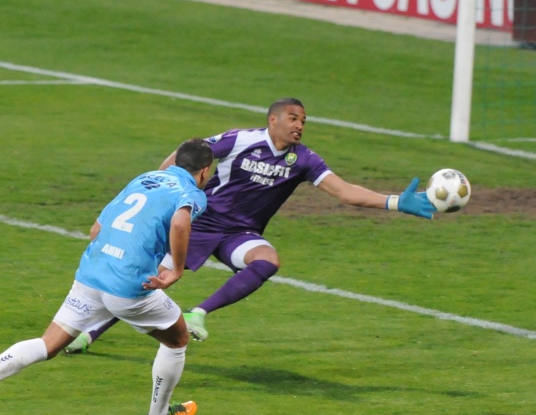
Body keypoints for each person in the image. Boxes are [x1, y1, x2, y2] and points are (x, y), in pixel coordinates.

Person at [65, 97, 436, 352]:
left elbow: (344, 191)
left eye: (304, 121)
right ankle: (89, 332)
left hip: (240, 233)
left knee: (267, 261)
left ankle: (198, 312)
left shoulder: (303, 160)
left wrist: (395, 202)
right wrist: (160, 189)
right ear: (272, 119)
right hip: (200, 222)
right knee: (147, 280)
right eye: (294, 118)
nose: (300, 125)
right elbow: (184, 153)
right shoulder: (240, 140)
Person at [0, 138, 214, 415]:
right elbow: (179, 223)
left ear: (175, 162)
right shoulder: (192, 193)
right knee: (177, 340)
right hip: (129, 286)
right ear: (205, 171)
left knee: (47, 344)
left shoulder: (144, 179)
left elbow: (95, 230)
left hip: (91, 274)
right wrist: (175, 269)